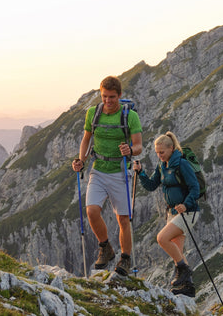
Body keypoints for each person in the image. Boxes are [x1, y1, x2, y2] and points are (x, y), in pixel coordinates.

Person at [72, 75, 143, 276]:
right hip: (99, 169)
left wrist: (130, 149)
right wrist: (81, 161)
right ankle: (106, 248)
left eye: (112, 97)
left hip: (120, 172)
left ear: (119, 95)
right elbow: (86, 139)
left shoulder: (130, 116)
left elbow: (138, 145)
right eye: (104, 96)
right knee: (92, 211)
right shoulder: (93, 114)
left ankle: (125, 258)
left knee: (123, 219)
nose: (108, 101)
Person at [133, 131, 200, 296]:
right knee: (177, 250)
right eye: (157, 152)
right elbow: (151, 185)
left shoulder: (182, 164)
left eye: (161, 152)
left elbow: (195, 188)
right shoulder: (162, 166)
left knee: (162, 238)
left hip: (187, 212)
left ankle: (184, 271)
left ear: (171, 148)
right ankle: (188, 288)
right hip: (172, 212)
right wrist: (140, 172)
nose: (159, 155)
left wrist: (186, 204)